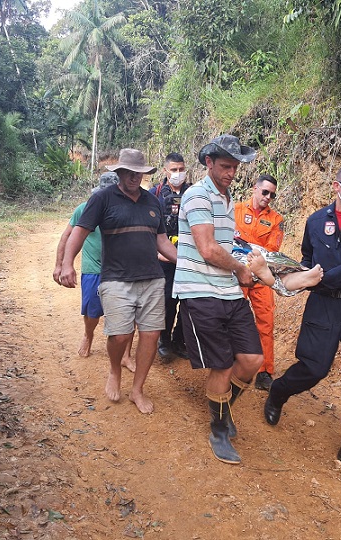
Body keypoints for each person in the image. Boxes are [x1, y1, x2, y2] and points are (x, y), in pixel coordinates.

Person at [262, 161, 341, 482]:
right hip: (323, 308)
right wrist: (292, 274)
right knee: (313, 369)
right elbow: (306, 259)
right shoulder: (316, 221)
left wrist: (316, 279)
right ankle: (278, 392)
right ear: (336, 185)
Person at [59, 148, 177, 415]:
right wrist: (67, 264)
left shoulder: (152, 202)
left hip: (152, 279)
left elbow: (161, 242)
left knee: (150, 335)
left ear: (145, 174)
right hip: (115, 279)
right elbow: (79, 233)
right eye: (129, 172)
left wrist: (187, 262)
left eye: (140, 173)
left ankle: (137, 390)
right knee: (120, 334)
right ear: (120, 172)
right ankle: (114, 369)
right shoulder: (102, 199)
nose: (134, 177)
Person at [171, 134, 264, 465]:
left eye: (235, 168)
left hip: (228, 290)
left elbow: (225, 244)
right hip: (200, 290)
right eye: (225, 166)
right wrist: (241, 269)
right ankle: (219, 429)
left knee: (253, 360)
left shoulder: (226, 200)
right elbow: (208, 249)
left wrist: (250, 260)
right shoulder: (197, 196)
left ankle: (222, 410)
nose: (231, 173)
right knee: (222, 364)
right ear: (208, 163)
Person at [52, 172, 135, 370]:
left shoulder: (130, 209)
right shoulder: (85, 209)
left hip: (123, 270)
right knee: (92, 311)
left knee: (128, 313)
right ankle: (88, 335)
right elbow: (67, 236)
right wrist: (60, 264)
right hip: (94, 269)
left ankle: (126, 354)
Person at [235, 174, 285, 390]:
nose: (268, 197)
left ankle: (265, 371)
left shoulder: (276, 220)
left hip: (263, 277)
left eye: (272, 194)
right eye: (265, 192)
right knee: (232, 318)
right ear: (255, 189)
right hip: (237, 273)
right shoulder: (235, 210)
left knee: (266, 322)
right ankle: (232, 360)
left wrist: (244, 244)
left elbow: (272, 251)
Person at [155, 152, 190, 362]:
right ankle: (164, 341)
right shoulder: (155, 194)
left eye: (181, 169)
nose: (178, 173)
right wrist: (156, 252)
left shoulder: (194, 193)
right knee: (167, 301)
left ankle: (180, 341)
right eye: (174, 170)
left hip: (189, 259)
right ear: (165, 171)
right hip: (164, 260)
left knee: (188, 303)